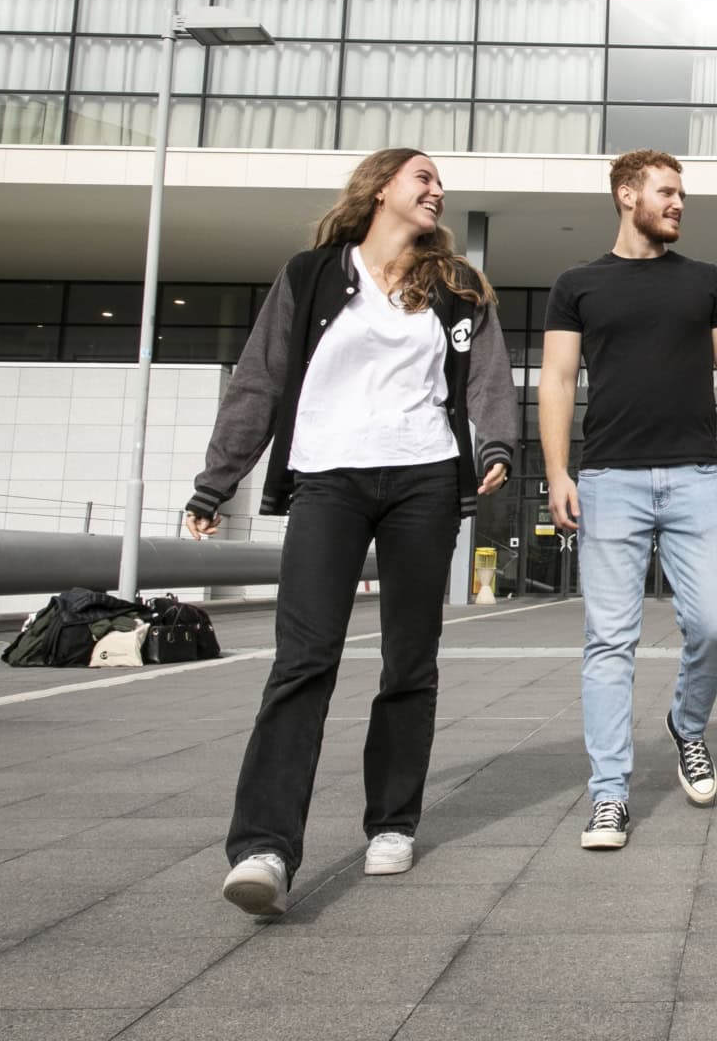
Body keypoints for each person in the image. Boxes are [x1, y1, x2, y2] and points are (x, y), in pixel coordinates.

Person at [188, 148, 517, 916]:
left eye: (440, 183)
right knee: (303, 661)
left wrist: (494, 444)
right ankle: (265, 848)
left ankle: (392, 820)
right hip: (328, 477)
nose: (437, 192)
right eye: (423, 179)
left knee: (409, 658)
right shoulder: (309, 276)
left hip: (424, 477)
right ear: (379, 189)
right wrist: (217, 481)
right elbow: (260, 380)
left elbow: (491, 377)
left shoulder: (458, 288)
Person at [538, 149, 717, 851]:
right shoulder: (577, 284)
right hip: (610, 480)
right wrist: (557, 473)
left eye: (681, 194)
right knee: (609, 641)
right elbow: (555, 378)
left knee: (714, 623)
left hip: (697, 477)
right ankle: (610, 795)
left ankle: (687, 725)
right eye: (666, 192)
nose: (678, 203)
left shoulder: (705, 281)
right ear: (625, 194)